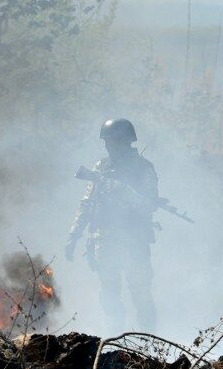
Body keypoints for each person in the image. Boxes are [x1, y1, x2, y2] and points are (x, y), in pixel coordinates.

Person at [65, 118, 158, 331]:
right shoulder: (101, 167)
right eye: (106, 142)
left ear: (126, 142)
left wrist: (124, 191)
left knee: (141, 293)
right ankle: (113, 339)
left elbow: (148, 205)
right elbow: (87, 203)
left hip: (134, 241)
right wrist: (73, 236)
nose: (109, 147)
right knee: (109, 293)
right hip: (104, 241)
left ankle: (150, 341)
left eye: (113, 142)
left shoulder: (144, 169)